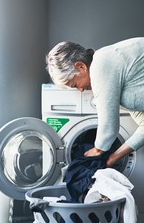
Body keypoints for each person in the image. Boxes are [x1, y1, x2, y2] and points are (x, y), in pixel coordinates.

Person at [45, 37, 144, 167]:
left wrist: (97, 151)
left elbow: (108, 128)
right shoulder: (114, 84)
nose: (80, 90)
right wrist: (113, 158)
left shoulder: (101, 63)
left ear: (81, 66)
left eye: (75, 84)